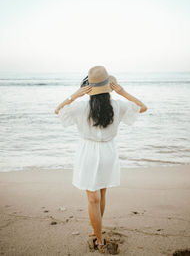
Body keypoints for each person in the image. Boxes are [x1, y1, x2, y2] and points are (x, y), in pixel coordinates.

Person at [54, 66, 147, 251]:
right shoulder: (117, 106)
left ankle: (98, 238)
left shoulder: (81, 106)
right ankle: (98, 229)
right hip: (108, 153)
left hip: (87, 152)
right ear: (109, 87)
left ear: (89, 88)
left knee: (92, 199)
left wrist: (75, 95)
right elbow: (143, 108)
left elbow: (58, 111)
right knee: (102, 194)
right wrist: (123, 92)